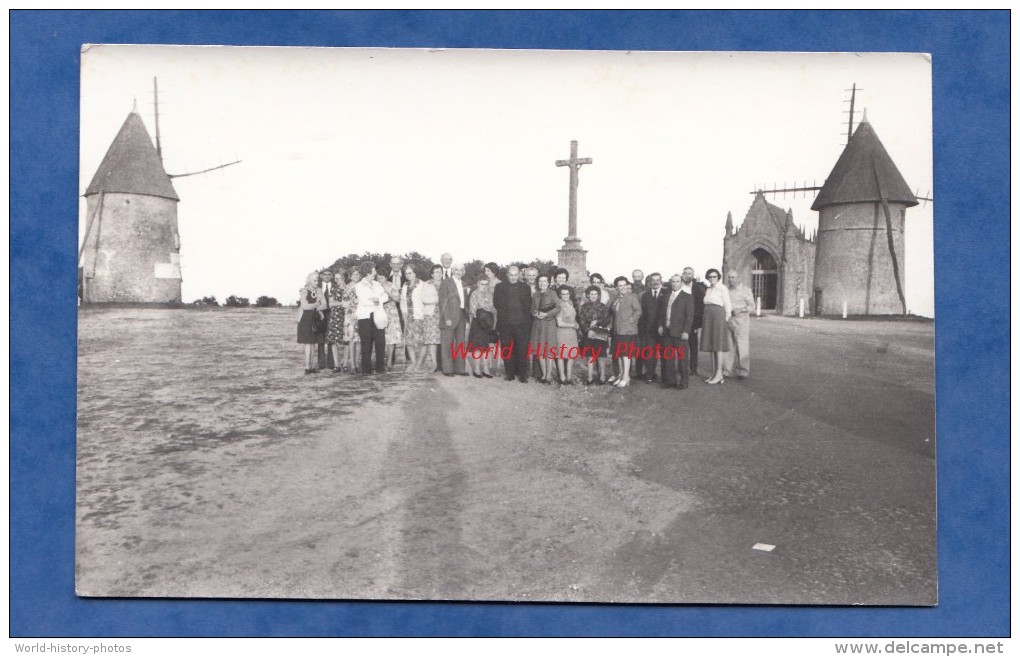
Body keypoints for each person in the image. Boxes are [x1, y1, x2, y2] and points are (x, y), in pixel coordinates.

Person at [493, 265, 533, 383]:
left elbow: (528, 305)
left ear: (519, 275)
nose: (513, 277)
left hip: (522, 324)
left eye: (516, 275)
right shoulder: (499, 287)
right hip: (506, 324)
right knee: (507, 349)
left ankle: (522, 375)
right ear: (507, 274)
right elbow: (496, 303)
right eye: (511, 275)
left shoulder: (525, 287)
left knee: (522, 350)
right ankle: (509, 374)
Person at [659, 273, 694, 389]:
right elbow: (662, 313)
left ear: (682, 283)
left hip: (680, 332)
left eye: (677, 281)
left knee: (682, 358)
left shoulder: (687, 297)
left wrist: (686, 331)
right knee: (668, 357)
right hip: (667, 331)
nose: (675, 284)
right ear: (670, 282)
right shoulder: (666, 295)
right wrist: (661, 325)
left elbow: (689, 316)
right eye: (673, 281)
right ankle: (671, 381)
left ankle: (684, 382)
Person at [355, 261, 388, 375]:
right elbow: (364, 301)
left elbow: (385, 296)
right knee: (366, 343)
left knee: (380, 342)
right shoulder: (359, 285)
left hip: (378, 315)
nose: (375, 272)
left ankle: (379, 368)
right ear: (368, 271)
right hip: (365, 317)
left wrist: (377, 300)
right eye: (373, 270)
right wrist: (377, 300)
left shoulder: (377, 284)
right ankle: (366, 369)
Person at [701, 268, 732, 385]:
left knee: (718, 345)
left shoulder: (722, 288)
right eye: (710, 277)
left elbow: (727, 304)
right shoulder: (708, 289)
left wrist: (726, 318)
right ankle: (714, 373)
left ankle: (719, 374)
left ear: (718, 277)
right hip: (708, 317)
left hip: (718, 317)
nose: (712, 279)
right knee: (711, 345)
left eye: (714, 276)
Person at [722, 269, 755, 379]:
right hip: (728, 321)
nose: (731, 280)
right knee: (728, 346)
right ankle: (727, 369)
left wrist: (741, 310)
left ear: (738, 278)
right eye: (729, 277)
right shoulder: (726, 290)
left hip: (741, 322)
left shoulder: (745, 290)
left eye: (733, 277)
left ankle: (742, 371)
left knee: (742, 346)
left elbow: (752, 307)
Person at [610, 275, 642, 388]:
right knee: (619, 355)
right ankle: (622, 375)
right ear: (616, 287)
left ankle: (626, 377)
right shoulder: (616, 298)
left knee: (626, 355)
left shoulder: (632, 296)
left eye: (624, 285)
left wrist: (632, 320)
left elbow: (638, 310)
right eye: (620, 286)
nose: (622, 287)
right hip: (618, 330)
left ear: (627, 285)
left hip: (628, 330)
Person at [439, 263, 468, 376]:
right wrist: (446, 318)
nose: (458, 272)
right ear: (452, 271)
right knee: (448, 344)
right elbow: (442, 301)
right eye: (456, 270)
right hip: (449, 317)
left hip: (461, 316)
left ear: (464, 272)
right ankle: (447, 369)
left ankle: (460, 369)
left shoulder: (464, 284)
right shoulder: (446, 282)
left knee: (460, 343)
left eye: (461, 270)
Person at [578, 285, 611, 384]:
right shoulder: (584, 307)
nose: (593, 296)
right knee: (590, 357)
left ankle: (602, 377)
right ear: (588, 295)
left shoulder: (603, 307)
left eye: (596, 294)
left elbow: (607, 320)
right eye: (591, 294)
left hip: (600, 334)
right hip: (588, 334)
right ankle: (590, 378)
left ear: (599, 295)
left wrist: (597, 322)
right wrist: (589, 330)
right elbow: (582, 321)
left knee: (600, 356)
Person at [530, 274, 560, 384]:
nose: (542, 283)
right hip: (537, 324)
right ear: (538, 283)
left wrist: (546, 314)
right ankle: (543, 374)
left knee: (548, 351)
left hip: (549, 324)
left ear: (548, 283)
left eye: (544, 281)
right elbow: (532, 309)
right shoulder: (535, 294)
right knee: (540, 350)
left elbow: (558, 307)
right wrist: (535, 313)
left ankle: (548, 376)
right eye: (540, 281)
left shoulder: (552, 294)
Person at [466, 276, 498, 378]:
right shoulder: (474, 293)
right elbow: (473, 310)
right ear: (478, 284)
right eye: (482, 284)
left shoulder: (491, 294)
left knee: (487, 347)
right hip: (478, 322)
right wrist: (486, 308)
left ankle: (486, 369)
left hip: (489, 322)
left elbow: (494, 308)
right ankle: (476, 369)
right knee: (478, 347)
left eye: (486, 284)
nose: (484, 286)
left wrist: (485, 307)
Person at [296, 272, 327, 374]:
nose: (316, 282)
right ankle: (307, 367)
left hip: (316, 319)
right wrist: (317, 304)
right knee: (308, 344)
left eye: (317, 280)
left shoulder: (319, 290)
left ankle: (311, 366)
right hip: (306, 320)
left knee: (313, 343)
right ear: (309, 280)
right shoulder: (304, 291)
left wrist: (314, 306)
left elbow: (325, 305)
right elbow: (304, 306)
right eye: (314, 280)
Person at [636, 272, 665, 382]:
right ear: (650, 282)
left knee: (664, 354)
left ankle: (665, 377)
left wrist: (662, 325)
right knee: (650, 353)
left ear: (661, 280)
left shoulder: (666, 293)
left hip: (663, 329)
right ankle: (650, 375)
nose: (655, 282)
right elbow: (643, 313)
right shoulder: (645, 295)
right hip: (649, 329)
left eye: (657, 279)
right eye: (653, 280)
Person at [399, 265, 428, 371]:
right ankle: (414, 363)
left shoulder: (422, 284)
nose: (408, 275)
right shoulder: (405, 285)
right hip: (408, 317)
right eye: (406, 273)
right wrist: (404, 313)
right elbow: (402, 301)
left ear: (415, 273)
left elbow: (425, 300)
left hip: (419, 316)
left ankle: (420, 363)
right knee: (409, 342)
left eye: (410, 273)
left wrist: (424, 314)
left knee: (421, 341)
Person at [681, 267, 707, 377]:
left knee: (693, 346)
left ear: (693, 275)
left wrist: (696, 322)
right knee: (681, 346)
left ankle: (693, 369)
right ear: (682, 275)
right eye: (686, 273)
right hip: (680, 322)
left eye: (690, 274)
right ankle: (682, 368)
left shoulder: (698, 288)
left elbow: (701, 306)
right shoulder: (678, 286)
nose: (688, 275)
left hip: (693, 322)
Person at [377, 265, 403, 372]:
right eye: (377, 278)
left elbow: (398, 299)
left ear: (386, 278)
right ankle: (380, 361)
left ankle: (389, 362)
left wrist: (388, 293)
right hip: (379, 313)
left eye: (381, 278)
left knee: (391, 338)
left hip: (391, 314)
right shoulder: (374, 286)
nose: (379, 280)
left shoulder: (391, 285)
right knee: (380, 338)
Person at [554, 284, 579, 384]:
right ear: (559, 295)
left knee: (571, 355)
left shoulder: (571, 302)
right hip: (562, 333)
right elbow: (559, 323)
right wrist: (572, 324)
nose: (565, 296)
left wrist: (575, 323)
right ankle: (562, 377)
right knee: (561, 355)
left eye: (567, 293)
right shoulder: (558, 305)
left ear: (570, 294)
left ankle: (569, 377)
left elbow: (573, 317)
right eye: (563, 294)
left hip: (572, 333)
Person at [326, 268, 347, 372]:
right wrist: (342, 303)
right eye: (335, 279)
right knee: (334, 341)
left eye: (337, 278)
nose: (336, 280)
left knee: (346, 340)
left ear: (343, 278)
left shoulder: (348, 288)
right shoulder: (333, 289)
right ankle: (336, 364)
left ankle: (345, 362)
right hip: (335, 316)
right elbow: (330, 303)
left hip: (346, 316)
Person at [342, 268, 362, 373]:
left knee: (359, 340)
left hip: (361, 315)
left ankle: (357, 363)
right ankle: (352, 364)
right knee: (351, 340)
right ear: (350, 276)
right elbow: (344, 303)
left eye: (358, 274)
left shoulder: (363, 286)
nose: (356, 275)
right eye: (354, 274)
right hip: (350, 316)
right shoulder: (347, 286)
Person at [316, 269, 334, 370]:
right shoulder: (317, 287)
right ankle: (321, 364)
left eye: (329, 274)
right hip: (320, 314)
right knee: (320, 339)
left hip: (332, 314)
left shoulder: (335, 286)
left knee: (331, 338)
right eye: (325, 274)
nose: (327, 276)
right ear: (321, 276)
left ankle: (331, 363)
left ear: (331, 276)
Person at [429, 264, 445, 372]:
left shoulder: (447, 284)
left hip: (444, 314)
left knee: (443, 339)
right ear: (432, 274)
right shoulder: (427, 284)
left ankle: (443, 364)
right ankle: (434, 364)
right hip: (431, 314)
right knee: (433, 340)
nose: (438, 274)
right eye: (436, 272)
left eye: (440, 272)